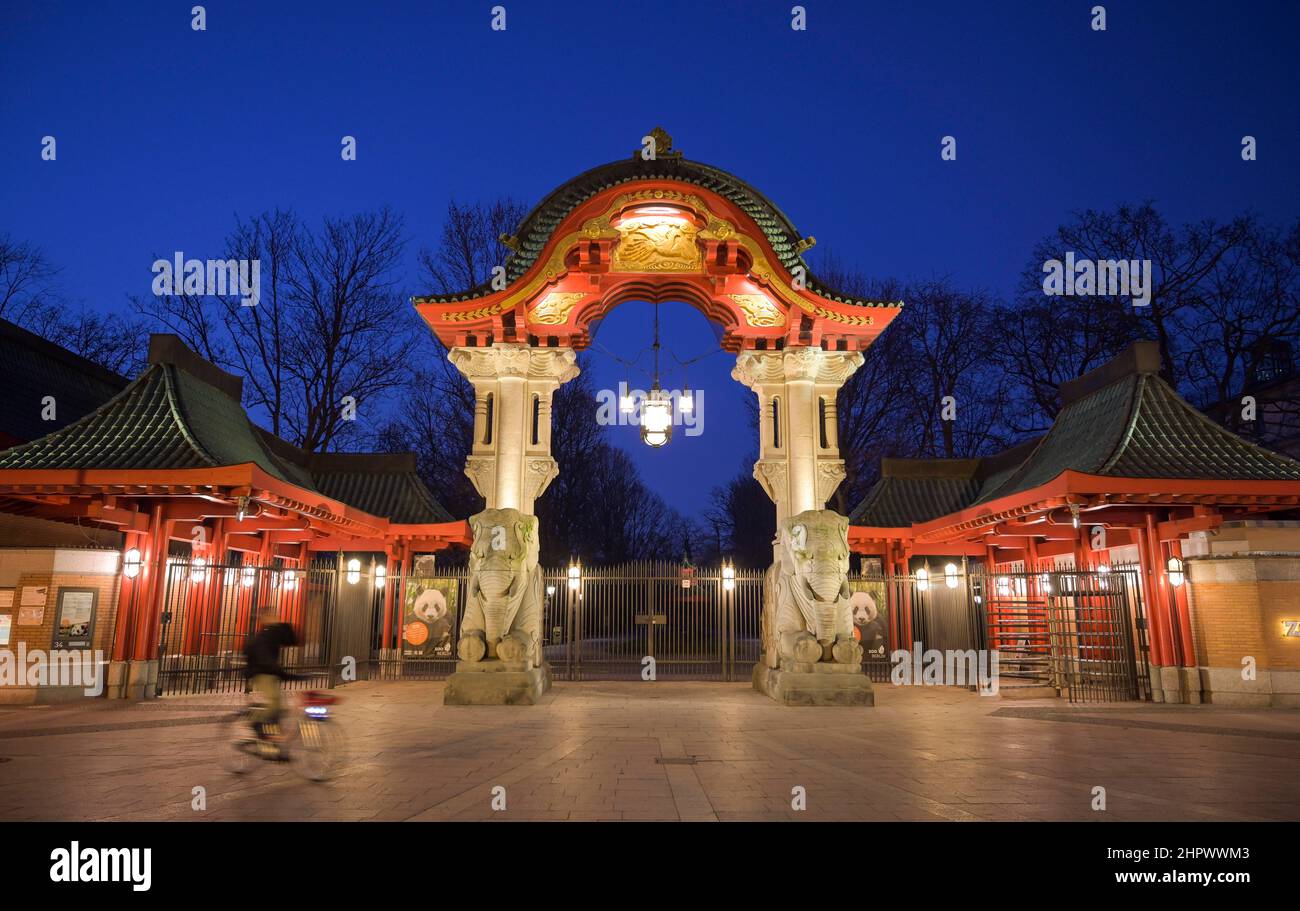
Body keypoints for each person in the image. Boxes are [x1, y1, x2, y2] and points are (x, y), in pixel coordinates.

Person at [243, 604, 301, 760]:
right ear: (263, 618)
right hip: (260, 673)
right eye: (269, 615)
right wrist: (284, 674)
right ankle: (256, 722)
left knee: (279, 711)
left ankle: (274, 747)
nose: (273, 617)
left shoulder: (273, 632)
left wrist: (282, 624)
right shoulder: (262, 637)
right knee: (274, 703)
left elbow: (293, 640)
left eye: (274, 614)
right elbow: (265, 661)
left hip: (272, 673)